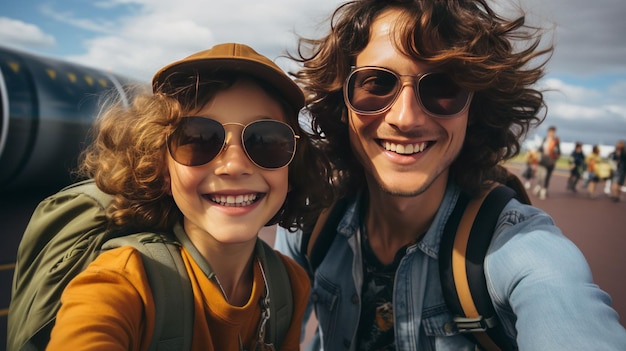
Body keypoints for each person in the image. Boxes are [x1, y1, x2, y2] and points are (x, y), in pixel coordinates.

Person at [274, 1, 626, 350]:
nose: (406, 118)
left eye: (442, 88)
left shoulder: (515, 247)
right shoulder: (314, 223)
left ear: (475, 109)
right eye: (376, 83)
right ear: (342, 103)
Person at [46, 43, 332, 350]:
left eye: (267, 141)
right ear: (161, 167)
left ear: (292, 166)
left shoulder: (289, 284)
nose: (234, 166)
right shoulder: (123, 281)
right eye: (197, 139)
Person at [534, 125, 561, 200]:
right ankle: (538, 186)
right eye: (550, 131)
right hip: (542, 161)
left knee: (547, 177)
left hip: (550, 162)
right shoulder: (545, 139)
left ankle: (543, 191)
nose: (551, 133)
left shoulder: (556, 141)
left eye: (553, 132)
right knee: (540, 175)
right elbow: (540, 149)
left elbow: (559, 152)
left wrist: (553, 157)